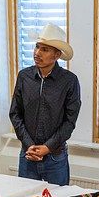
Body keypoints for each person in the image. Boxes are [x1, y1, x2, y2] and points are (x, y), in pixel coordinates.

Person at [9, 24, 80, 186]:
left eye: (45, 50)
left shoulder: (69, 81)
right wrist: (29, 145)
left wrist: (47, 147)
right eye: (37, 47)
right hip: (28, 154)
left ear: (56, 55)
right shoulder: (24, 76)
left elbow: (70, 121)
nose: (37, 53)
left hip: (55, 157)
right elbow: (15, 113)